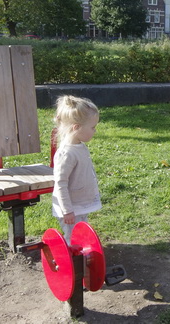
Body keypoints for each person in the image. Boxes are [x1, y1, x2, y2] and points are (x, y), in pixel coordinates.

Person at [52, 95, 102, 241]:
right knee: (72, 237)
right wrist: (67, 211)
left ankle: (82, 257)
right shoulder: (66, 154)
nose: (95, 131)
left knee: (80, 234)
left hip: (80, 203)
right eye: (93, 127)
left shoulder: (79, 146)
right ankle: (72, 260)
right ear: (76, 127)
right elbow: (60, 184)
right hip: (70, 208)